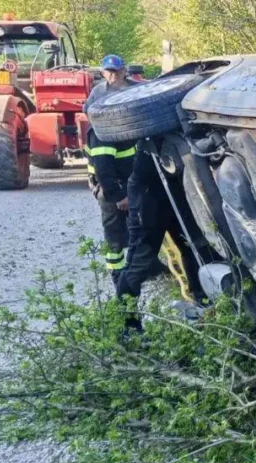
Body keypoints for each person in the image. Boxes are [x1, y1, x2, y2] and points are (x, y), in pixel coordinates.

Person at [117, 138, 214, 334]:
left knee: (195, 247)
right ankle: (128, 327)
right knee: (139, 261)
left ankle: (204, 305)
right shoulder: (147, 128)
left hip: (177, 187)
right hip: (148, 194)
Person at [84, 54, 139, 285]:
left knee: (136, 228)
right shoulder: (102, 127)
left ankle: (140, 269)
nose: (113, 76)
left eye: (117, 71)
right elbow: (104, 168)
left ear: (124, 71)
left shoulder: (133, 90)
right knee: (115, 236)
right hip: (111, 190)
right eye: (109, 72)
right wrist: (118, 196)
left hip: (127, 184)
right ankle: (119, 277)